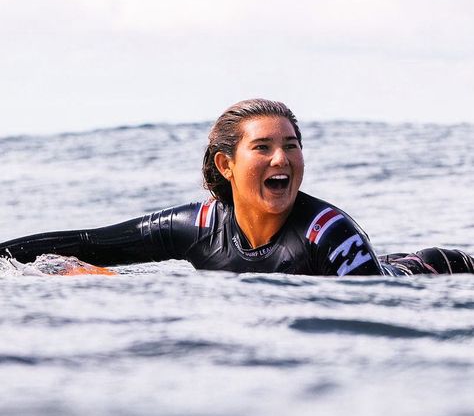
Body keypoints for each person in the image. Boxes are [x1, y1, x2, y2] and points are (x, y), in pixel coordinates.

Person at [1, 99, 473, 277]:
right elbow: (91, 243)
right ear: (226, 164)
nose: (281, 159)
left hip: (431, 272)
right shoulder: (199, 227)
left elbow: (378, 323)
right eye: (263, 147)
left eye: (291, 145)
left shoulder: (328, 232)